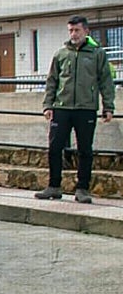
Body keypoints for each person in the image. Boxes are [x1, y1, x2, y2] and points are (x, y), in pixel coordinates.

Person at [36, 14, 115, 203]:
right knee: (55, 148)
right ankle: (54, 186)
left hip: (86, 109)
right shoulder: (61, 54)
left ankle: (83, 189)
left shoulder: (97, 54)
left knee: (85, 150)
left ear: (86, 31)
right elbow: (52, 81)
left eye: (77, 30)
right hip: (61, 108)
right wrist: (48, 105)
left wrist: (108, 106)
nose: (73, 34)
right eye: (70, 30)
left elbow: (106, 82)